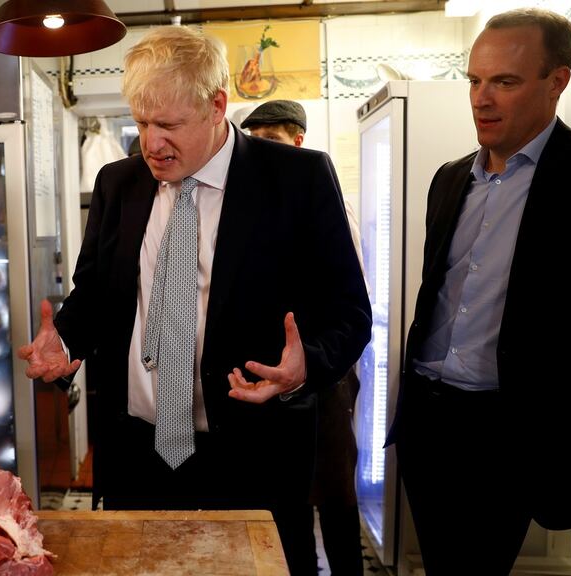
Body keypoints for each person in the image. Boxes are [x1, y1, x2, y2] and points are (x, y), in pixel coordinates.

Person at [19, 26, 371, 576]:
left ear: (216, 106)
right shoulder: (119, 183)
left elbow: (350, 314)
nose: (150, 143)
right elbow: (95, 293)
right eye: (140, 122)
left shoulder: (298, 179)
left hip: (252, 455)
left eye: (168, 125)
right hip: (139, 452)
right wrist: (65, 337)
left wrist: (307, 369)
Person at [388, 8, 571, 575]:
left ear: (558, 81)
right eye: (474, 81)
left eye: (504, 82)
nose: (481, 98)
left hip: (515, 431)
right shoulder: (451, 176)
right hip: (430, 420)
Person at [241, 99, 364, 576]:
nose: (262, 152)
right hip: (274, 378)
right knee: (287, 499)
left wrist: (317, 358)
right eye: (255, 142)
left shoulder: (325, 198)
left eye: (270, 141)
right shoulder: (258, 204)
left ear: (298, 140)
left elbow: (352, 300)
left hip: (324, 375)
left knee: (334, 492)